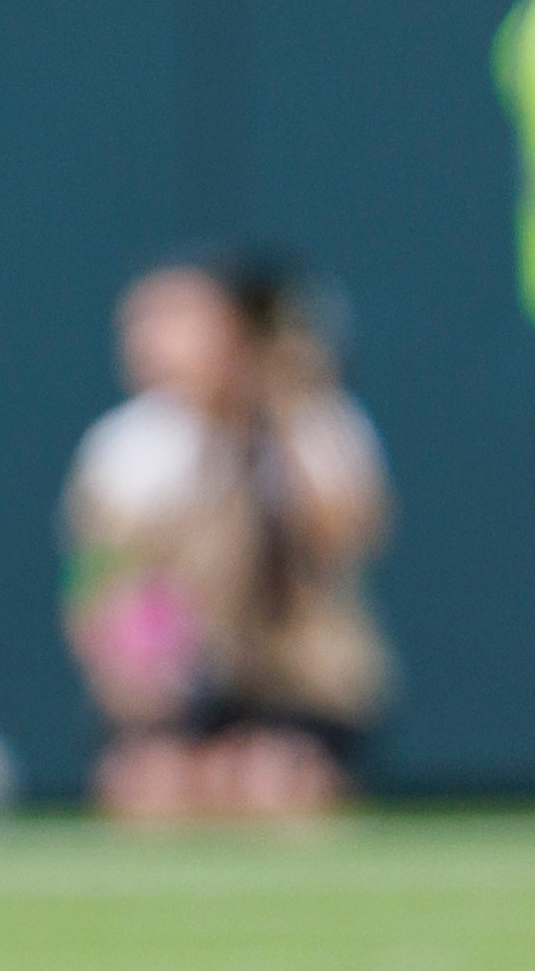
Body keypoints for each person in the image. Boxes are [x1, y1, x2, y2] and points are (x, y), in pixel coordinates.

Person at [66, 257, 389, 822]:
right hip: (183, 678)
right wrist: (135, 673)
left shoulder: (317, 425)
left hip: (298, 683)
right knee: (154, 786)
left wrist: (280, 412)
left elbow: (346, 538)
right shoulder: (128, 445)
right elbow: (98, 580)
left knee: (270, 782)